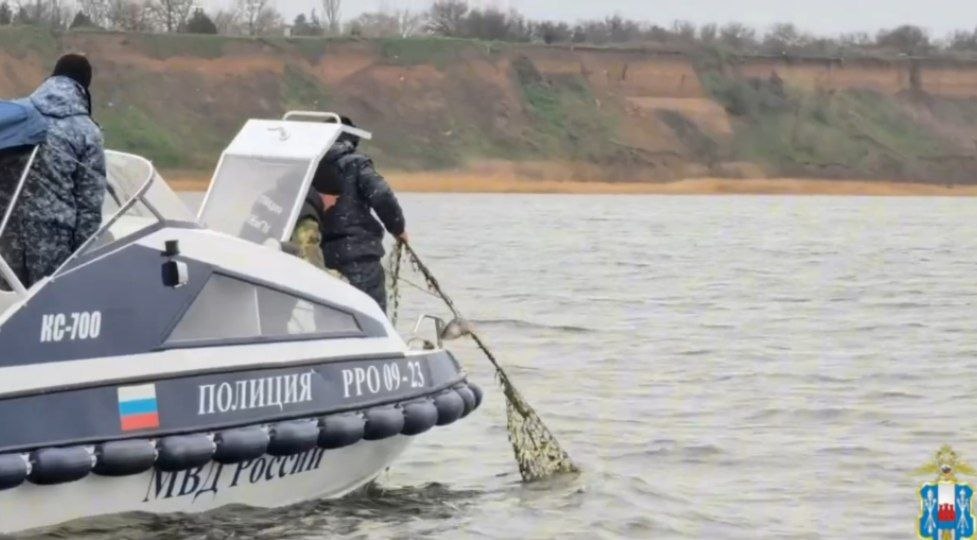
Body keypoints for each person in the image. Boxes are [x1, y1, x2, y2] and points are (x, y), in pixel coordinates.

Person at [12, 54, 106, 287]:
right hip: (53, 242)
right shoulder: (87, 132)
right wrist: (81, 257)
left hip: (6, 240)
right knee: (45, 313)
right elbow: (89, 206)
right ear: (84, 87)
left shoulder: (16, 115)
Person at [316, 116, 407, 313]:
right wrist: (398, 229)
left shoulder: (309, 165)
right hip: (359, 255)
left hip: (322, 258)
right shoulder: (356, 163)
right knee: (371, 316)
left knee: (329, 318)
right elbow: (381, 195)